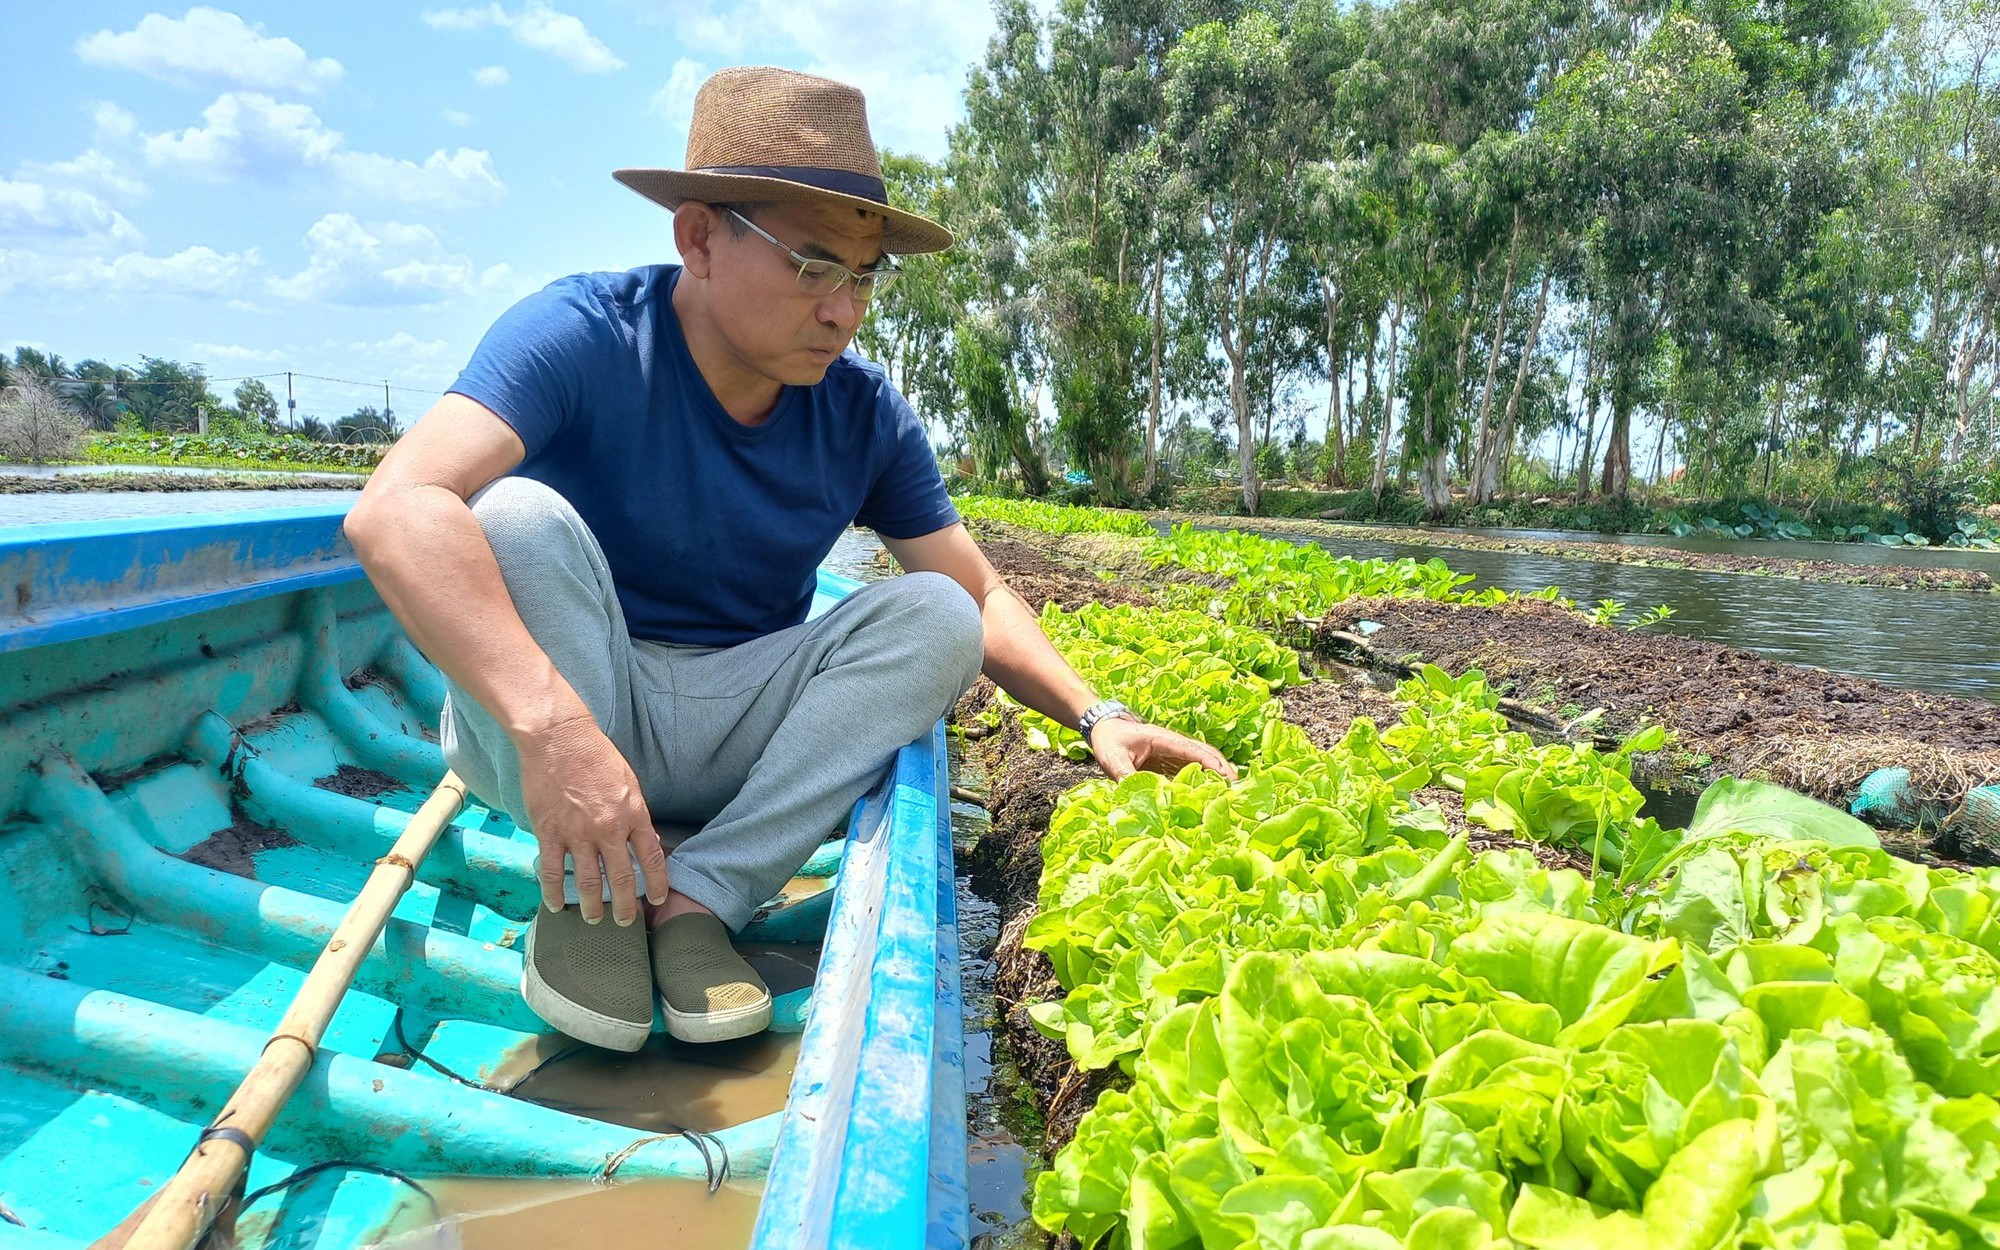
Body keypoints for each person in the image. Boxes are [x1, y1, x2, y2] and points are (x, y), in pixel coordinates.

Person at [344, 65, 1233, 1052]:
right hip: (564, 718)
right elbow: (393, 509)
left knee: (936, 610)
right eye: (813, 266)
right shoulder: (583, 334)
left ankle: (697, 897)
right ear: (697, 238)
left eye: (861, 278)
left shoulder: (860, 414)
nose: (842, 310)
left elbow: (975, 594)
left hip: (735, 728)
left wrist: (1097, 715)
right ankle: (589, 892)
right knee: (507, 516)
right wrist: (555, 733)